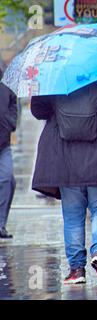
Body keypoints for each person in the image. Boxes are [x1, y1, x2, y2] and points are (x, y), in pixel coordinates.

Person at [30, 75, 97, 284]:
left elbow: (38, 110)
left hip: (64, 156)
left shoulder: (56, 76)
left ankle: (77, 269)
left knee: (73, 214)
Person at [0, 67, 17, 239]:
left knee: (7, 178)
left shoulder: (6, 88)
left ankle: (1, 224)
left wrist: (10, 123)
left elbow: (13, 105)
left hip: (3, 144)